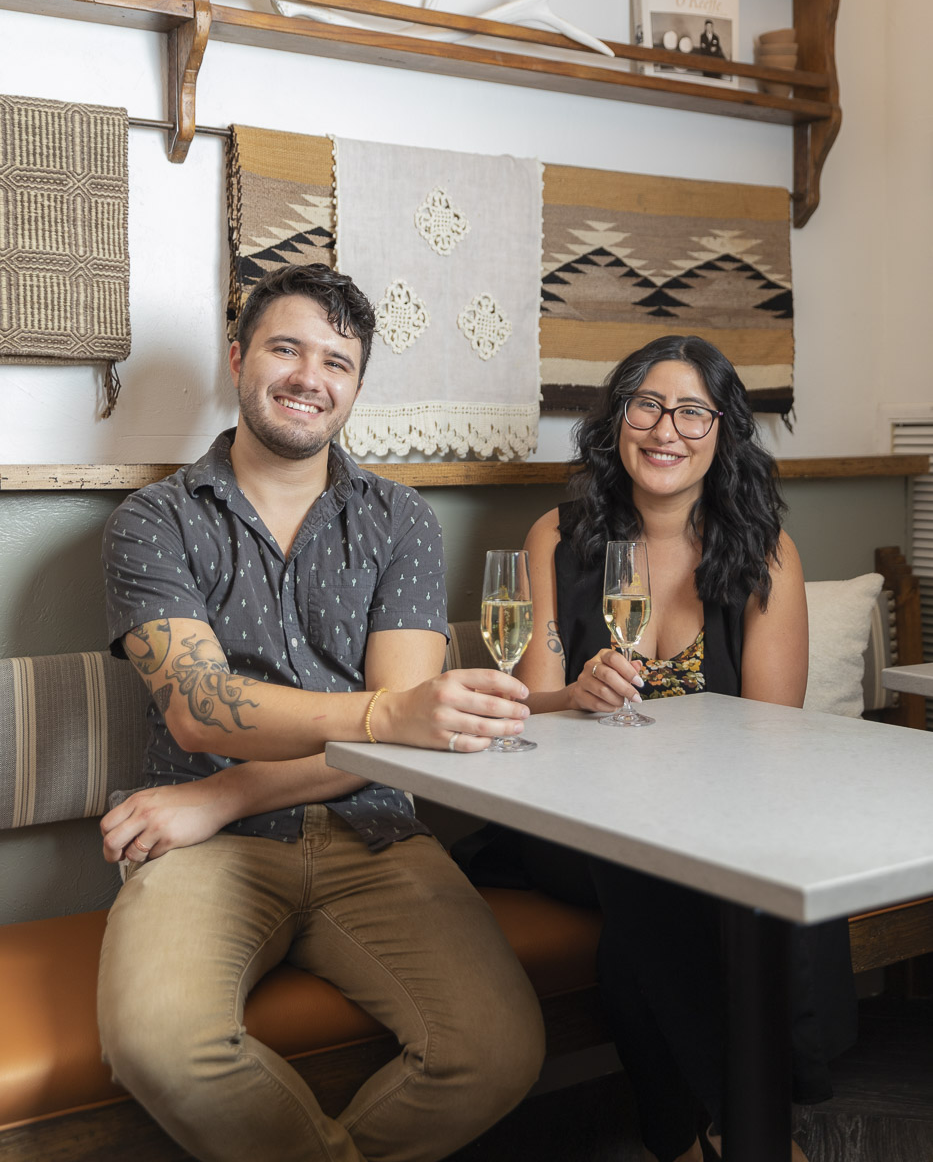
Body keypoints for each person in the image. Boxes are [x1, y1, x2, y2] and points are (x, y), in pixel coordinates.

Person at [96, 263, 545, 1162]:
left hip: (370, 834)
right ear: (239, 358)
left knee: (496, 1054)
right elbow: (203, 713)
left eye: (336, 361)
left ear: (356, 387)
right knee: (159, 1045)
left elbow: (407, 735)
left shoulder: (401, 521)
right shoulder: (152, 520)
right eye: (287, 348)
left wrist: (226, 793)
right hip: (204, 854)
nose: (310, 376)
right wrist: (374, 726)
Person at [473, 335, 856, 1162]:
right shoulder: (557, 535)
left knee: (710, 875)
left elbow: (769, 736)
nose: (665, 429)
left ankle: (679, 1136)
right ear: (617, 420)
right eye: (646, 405)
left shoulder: (763, 552)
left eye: (691, 411)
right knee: (649, 862)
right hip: (571, 821)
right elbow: (528, 699)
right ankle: (748, 1123)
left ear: (722, 432)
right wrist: (573, 694)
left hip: (710, 815)